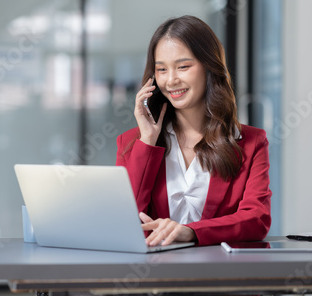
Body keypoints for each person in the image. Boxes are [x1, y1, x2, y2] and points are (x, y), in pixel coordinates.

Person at [116, 15, 272, 247]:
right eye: (161, 70)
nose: (171, 80)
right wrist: (148, 141)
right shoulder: (132, 143)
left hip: (220, 274)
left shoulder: (251, 142)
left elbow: (256, 219)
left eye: (183, 67)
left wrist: (190, 232)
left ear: (209, 67)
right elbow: (122, 222)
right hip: (152, 276)